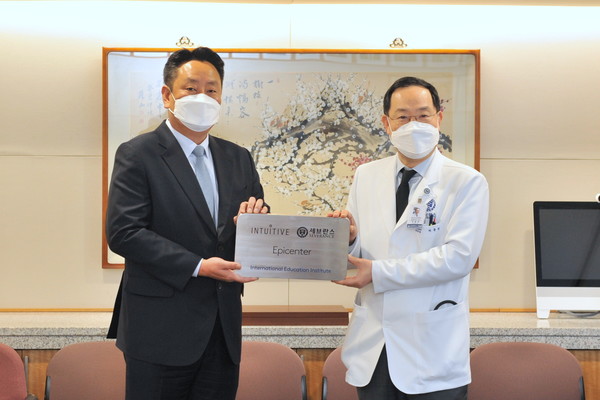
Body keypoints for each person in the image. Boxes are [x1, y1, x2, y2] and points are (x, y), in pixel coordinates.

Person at [105, 47, 267, 400]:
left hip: (222, 331)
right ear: (167, 95)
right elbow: (124, 232)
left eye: (212, 90)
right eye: (191, 88)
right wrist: (198, 266)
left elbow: (254, 222)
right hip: (158, 330)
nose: (202, 98)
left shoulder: (238, 158)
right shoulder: (138, 154)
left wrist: (254, 224)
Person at [329, 76, 489, 400]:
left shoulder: (467, 182)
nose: (413, 124)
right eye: (402, 116)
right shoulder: (366, 175)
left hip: (431, 351)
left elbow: (458, 258)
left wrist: (377, 272)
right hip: (375, 348)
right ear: (387, 123)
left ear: (439, 118)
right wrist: (348, 239)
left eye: (423, 115)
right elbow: (362, 252)